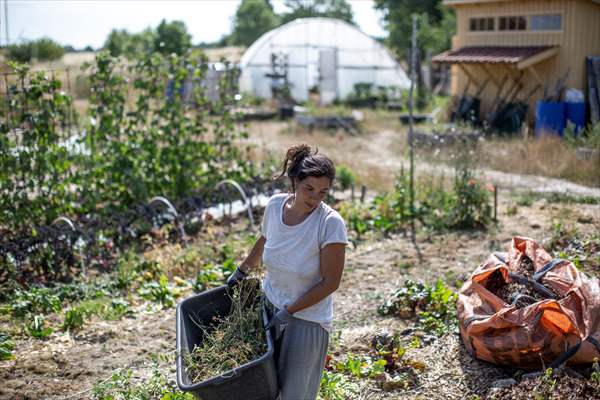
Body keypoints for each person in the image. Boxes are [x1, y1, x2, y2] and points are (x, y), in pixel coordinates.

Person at [227, 143, 348, 400]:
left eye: (323, 192)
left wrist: (289, 313)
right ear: (295, 181)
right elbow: (265, 239)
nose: (315, 199)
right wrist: (242, 270)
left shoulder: (330, 224)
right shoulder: (275, 206)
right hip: (269, 308)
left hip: (306, 320)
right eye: (309, 189)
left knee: (295, 394)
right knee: (266, 389)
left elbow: (330, 283)